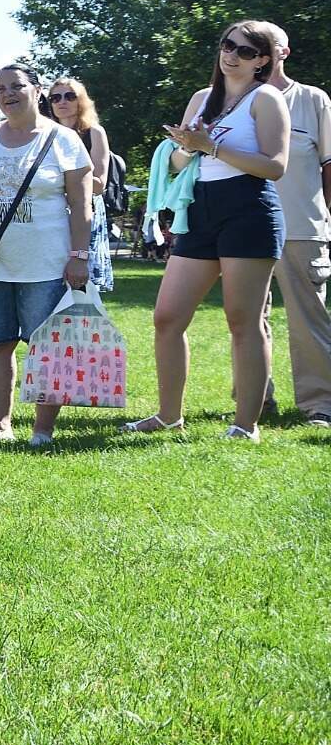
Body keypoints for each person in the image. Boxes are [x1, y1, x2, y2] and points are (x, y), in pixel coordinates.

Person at [135, 22, 291, 442]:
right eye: (227, 46)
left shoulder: (267, 98)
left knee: (243, 322)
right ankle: (169, 416)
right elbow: (179, 164)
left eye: (243, 51)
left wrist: (212, 147)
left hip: (249, 210)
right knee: (167, 317)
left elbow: (275, 166)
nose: (231, 55)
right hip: (199, 210)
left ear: (262, 60)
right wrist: (184, 147)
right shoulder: (202, 98)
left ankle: (246, 426)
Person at [0, 64, 93, 445]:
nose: (7, 94)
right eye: (0, 88)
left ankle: (42, 430)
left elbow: (82, 203)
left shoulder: (63, 139)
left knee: (46, 347)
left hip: (47, 263)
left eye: (16, 86)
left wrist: (79, 254)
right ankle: (0, 425)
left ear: (37, 90)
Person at [261, 26, 331, 425]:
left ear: (284, 50)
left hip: (303, 227)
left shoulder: (312, 99)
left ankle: (319, 404)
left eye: (264, 46)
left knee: (309, 320)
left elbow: (329, 165)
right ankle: (256, 400)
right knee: (248, 319)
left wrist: (325, 218)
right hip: (246, 228)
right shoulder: (235, 100)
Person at [47, 76, 116, 294]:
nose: (62, 102)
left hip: (85, 213)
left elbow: (99, 185)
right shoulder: (46, 135)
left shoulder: (94, 132)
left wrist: (66, 180)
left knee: (83, 289)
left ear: (81, 100)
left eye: (69, 96)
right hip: (52, 213)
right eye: (55, 97)